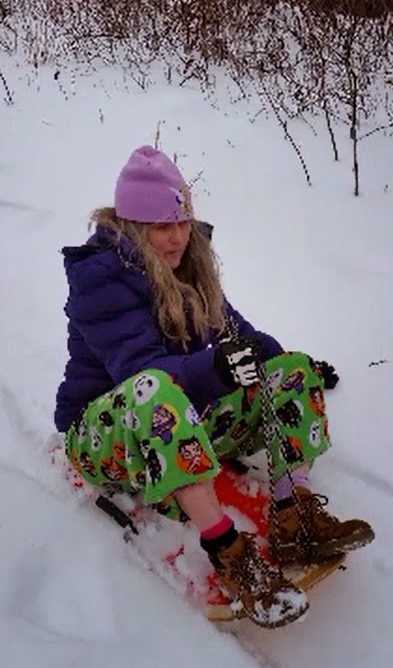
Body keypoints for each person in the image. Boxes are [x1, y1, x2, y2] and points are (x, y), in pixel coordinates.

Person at [55, 145, 374, 629]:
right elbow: (139, 371)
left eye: (183, 222)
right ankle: (228, 550)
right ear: (136, 227)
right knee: (153, 392)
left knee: (289, 369)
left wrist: (289, 364)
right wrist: (218, 367)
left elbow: (238, 334)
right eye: (162, 226)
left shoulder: (187, 265)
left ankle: (294, 516)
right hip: (108, 435)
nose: (178, 237)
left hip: (178, 413)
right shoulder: (100, 281)